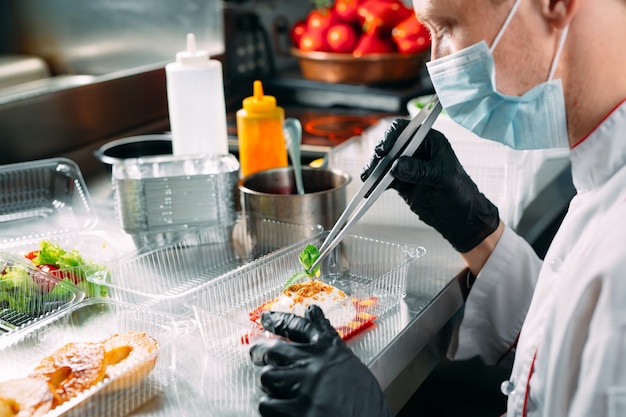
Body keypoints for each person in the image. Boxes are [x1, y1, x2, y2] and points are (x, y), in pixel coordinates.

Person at [250, 0, 626, 415]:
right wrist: (476, 230)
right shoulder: (605, 175)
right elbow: (568, 348)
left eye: (446, 27)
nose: (436, 63)